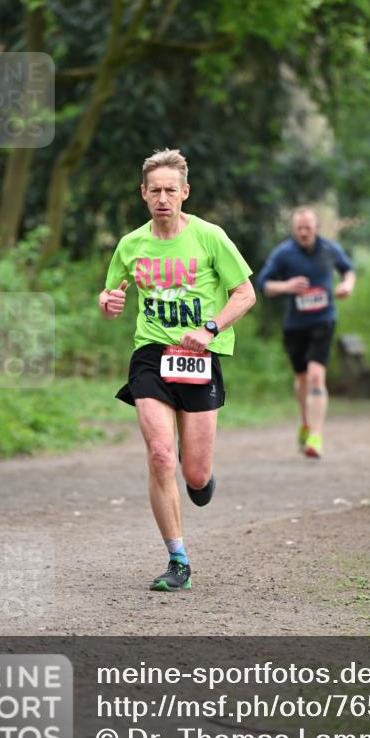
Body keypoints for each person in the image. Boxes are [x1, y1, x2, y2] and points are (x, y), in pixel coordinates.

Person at [98, 148, 255, 591]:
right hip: (151, 353)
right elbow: (110, 297)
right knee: (160, 454)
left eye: (171, 190)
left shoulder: (210, 237)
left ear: (185, 192)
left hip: (200, 356)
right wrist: (107, 302)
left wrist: (209, 329)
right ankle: (178, 560)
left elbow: (245, 294)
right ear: (143, 194)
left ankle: (198, 469)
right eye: (155, 190)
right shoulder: (131, 244)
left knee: (195, 475)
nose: (163, 197)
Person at [257, 207, 356, 459]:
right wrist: (286, 286)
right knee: (301, 379)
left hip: (324, 320)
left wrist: (346, 285)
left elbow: (348, 270)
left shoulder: (329, 249)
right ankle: (305, 422)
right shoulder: (284, 253)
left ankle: (316, 435)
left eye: (308, 228)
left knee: (315, 376)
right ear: (293, 229)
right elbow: (264, 284)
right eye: (299, 228)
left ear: (316, 228)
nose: (303, 232)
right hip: (295, 325)